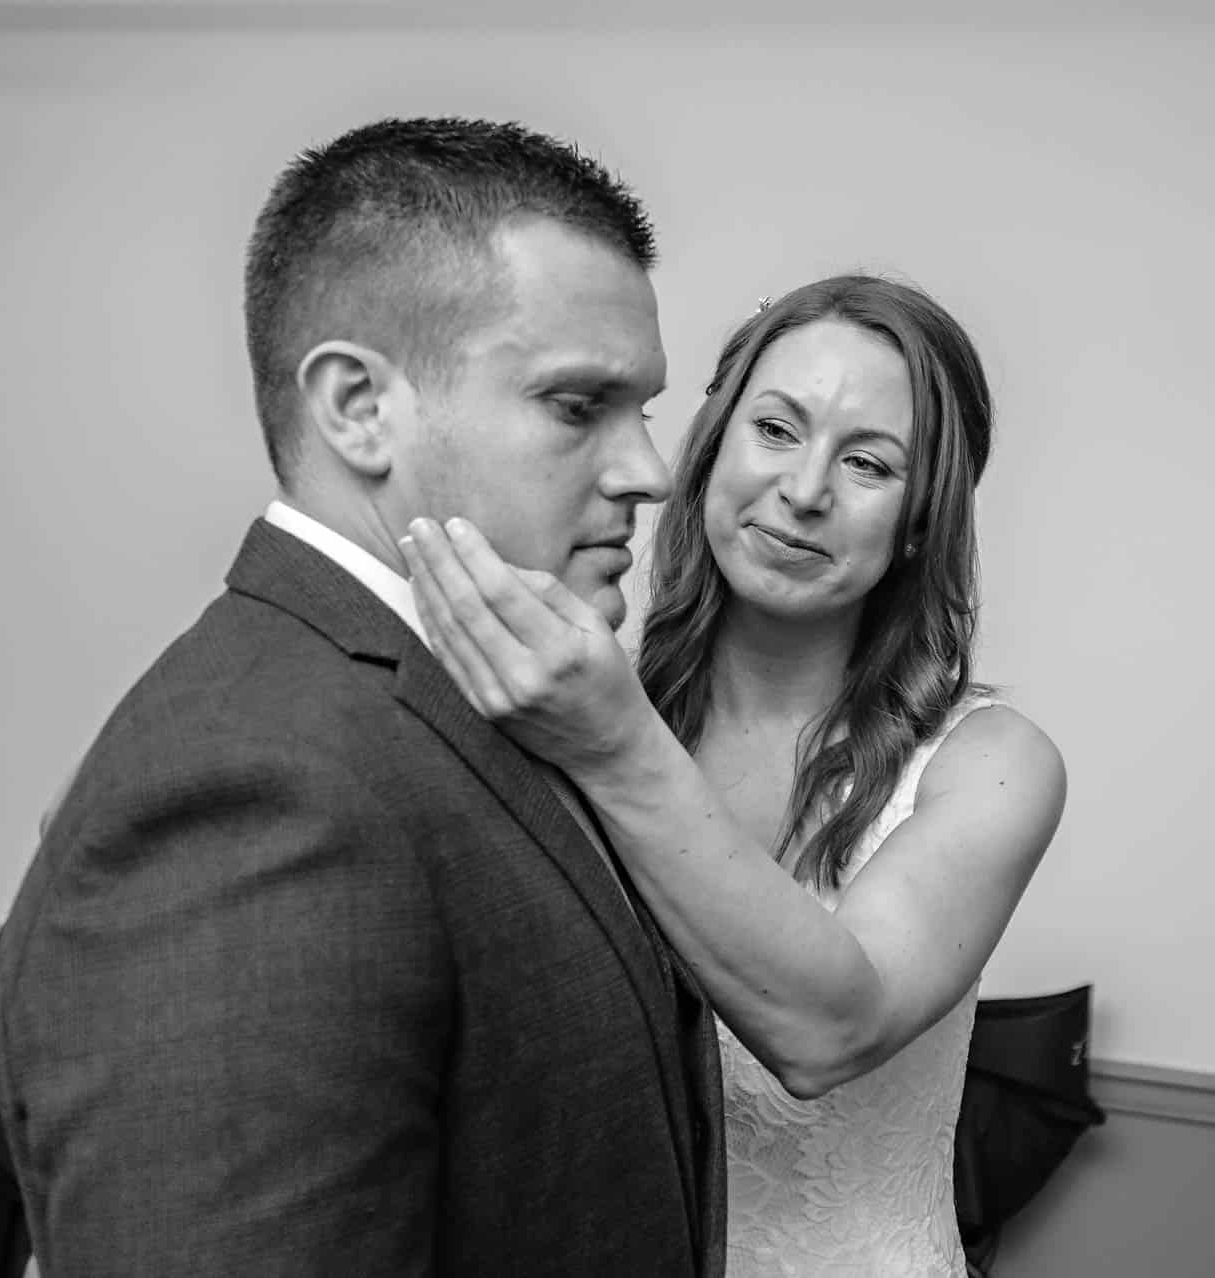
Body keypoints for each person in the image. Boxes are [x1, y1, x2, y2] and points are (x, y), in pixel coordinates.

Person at [0, 117, 724, 1277]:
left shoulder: (472, 697)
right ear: (358, 408)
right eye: (580, 406)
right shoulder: (253, 792)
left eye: (645, 410)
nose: (649, 470)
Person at [402, 274, 1067, 1276]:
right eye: (776, 429)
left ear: (920, 520)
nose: (805, 491)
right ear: (710, 448)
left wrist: (614, 745)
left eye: (869, 463)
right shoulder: (580, 708)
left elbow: (829, 1030)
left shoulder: (991, 766)